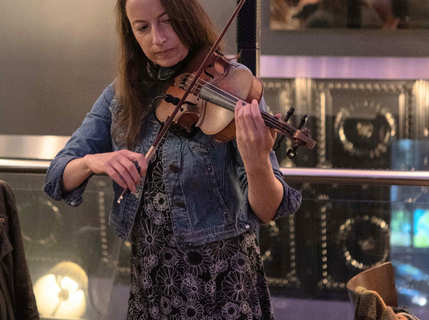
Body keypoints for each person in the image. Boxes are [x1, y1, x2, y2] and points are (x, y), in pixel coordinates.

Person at [44, 0, 302, 318]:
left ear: (187, 18)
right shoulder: (121, 96)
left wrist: (257, 161)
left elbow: (269, 208)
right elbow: (57, 176)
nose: (158, 38)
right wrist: (93, 161)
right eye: (143, 27)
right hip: (152, 284)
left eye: (167, 21)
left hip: (221, 288)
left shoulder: (232, 82)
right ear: (131, 33)